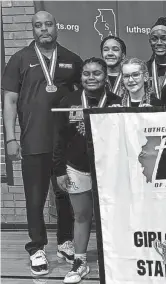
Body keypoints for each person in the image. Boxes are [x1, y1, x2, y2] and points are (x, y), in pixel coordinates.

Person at [2, 11, 81, 275]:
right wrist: (10, 138)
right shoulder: (19, 59)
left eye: (48, 24)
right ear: (33, 30)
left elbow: (83, 99)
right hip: (33, 140)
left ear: (56, 27)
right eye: (38, 25)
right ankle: (37, 248)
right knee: (34, 199)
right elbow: (10, 101)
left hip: (65, 144)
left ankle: (65, 242)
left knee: (65, 196)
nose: (43, 29)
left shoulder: (72, 60)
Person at [53, 58, 122, 284]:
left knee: (112, 216)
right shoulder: (69, 101)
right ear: (80, 77)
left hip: (108, 168)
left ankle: (116, 259)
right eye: (86, 73)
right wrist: (59, 170)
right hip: (76, 167)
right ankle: (80, 262)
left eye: (97, 73)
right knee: (82, 216)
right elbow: (59, 139)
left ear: (105, 76)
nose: (91, 78)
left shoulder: (117, 102)